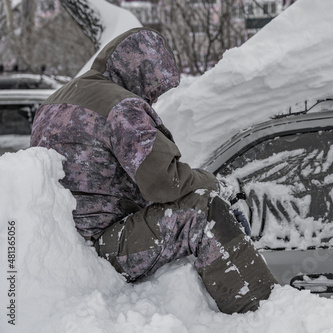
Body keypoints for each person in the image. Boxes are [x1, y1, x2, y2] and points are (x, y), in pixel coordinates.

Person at [30, 27, 277, 314]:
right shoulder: (121, 106)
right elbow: (166, 182)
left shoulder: (56, 100)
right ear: (140, 69)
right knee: (204, 211)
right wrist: (211, 182)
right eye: (154, 88)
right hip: (103, 246)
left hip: (63, 241)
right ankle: (265, 312)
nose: (154, 99)